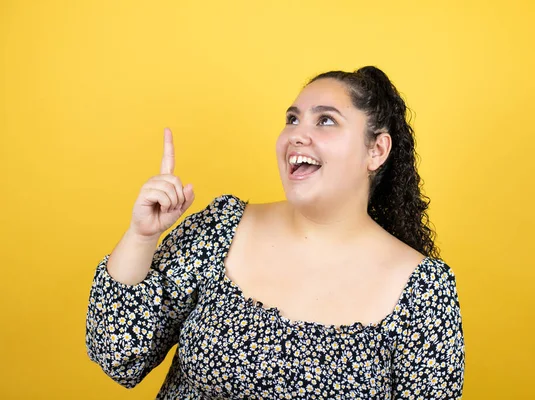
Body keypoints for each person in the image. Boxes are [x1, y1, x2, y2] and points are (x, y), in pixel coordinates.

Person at [85, 66, 465, 399]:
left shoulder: (424, 290)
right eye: (292, 119)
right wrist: (141, 236)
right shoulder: (222, 228)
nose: (297, 135)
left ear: (377, 150)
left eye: (326, 120)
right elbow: (118, 357)